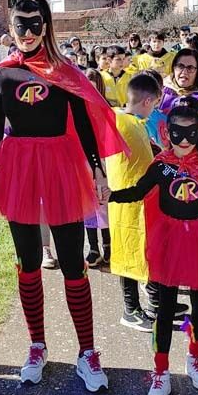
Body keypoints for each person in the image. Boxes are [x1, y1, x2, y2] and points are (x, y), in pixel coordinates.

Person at [0, 0, 127, 392]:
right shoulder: (2, 73)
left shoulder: (65, 73)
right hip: (18, 168)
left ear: (45, 27)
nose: (27, 33)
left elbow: (84, 125)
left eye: (35, 25)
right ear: (11, 29)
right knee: (28, 261)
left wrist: (97, 169)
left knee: (73, 262)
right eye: (20, 26)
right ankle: (37, 345)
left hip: (62, 165)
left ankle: (87, 351)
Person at [109, 98, 198, 395]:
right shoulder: (161, 166)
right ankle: (160, 371)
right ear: (167, 133)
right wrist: (111, 196)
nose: (184, 141)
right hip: (169, 241)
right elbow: (138, 191)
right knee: (165, 307)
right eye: (177, 133)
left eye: (191, 133)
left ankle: (195, 358)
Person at [107, 74, 165, 332]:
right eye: (154, 104)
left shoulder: (134, 122)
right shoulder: (120, 122)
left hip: (142, 201)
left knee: (145, 251)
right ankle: (130, 309)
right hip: (125, 202)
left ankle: (155, 301)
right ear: (148, 101)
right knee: (127, 254)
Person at [83, 68, 111, 268]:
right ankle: (93, 247)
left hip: (103, 161)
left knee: (104, 203)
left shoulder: (106, 108)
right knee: (87, 206)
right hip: (82, 162)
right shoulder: (75, 107)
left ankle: (108, 244)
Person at [159, 48, 198, 114]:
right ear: (174, 68)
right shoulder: (161, 90)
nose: (184, 72)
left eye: (190, 68)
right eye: (180, 66)